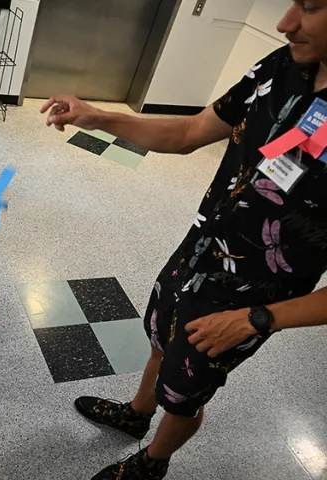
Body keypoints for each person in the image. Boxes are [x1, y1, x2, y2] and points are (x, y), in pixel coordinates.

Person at [41, 1, 327, 479]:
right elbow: (192, 130)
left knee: (185, 390)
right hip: (198, 251)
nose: (285, 22)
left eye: (312, 7)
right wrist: (102, 118)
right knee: (160, 338)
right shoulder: (283, 66)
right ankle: (136, 414)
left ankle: (153, 464)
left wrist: (258, 319)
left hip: (248, 298)